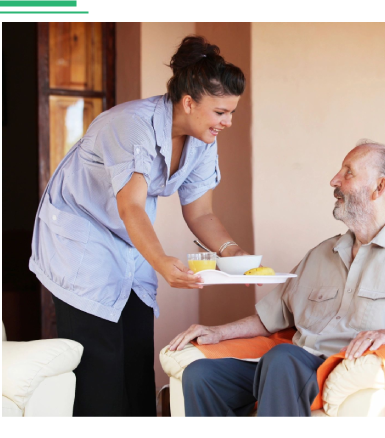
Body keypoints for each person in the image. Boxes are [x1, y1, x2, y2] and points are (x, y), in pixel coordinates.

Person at [29, 35, 251, 417]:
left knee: (136, 362)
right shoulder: (131, 125)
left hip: (129, 241)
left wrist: (234, 255)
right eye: (220, 112)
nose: (228, 122)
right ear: (188, 102)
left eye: (231, 112)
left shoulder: (202, 138)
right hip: (81, 240)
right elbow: (130, 206)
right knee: (99, 370)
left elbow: (199, 214)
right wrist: (164, 263)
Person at [169, 139, 385, 417]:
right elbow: (271, 317)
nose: (334, 180)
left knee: (283, 359)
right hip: (290, 367)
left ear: (379, 187)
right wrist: (218, 332)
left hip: (341, 366)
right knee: (200, 375)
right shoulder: (321, 253)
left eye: (347, 173)